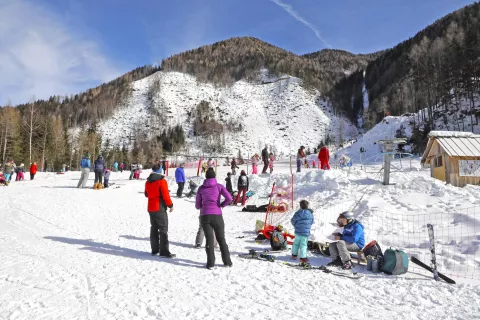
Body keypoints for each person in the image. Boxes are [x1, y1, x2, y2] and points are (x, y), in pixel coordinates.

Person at [195, 168, 233, 269]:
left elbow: (197, 205)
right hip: (217, 215)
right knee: (221, 239)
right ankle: (227, 262)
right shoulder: (219, 187)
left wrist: (202, 206)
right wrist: (221, 205)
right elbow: (229, 198)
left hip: (205, 216)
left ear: (206, 177)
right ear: (214, 176)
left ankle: (210, 263)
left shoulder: (201, 188)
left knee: (209, 239)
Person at [145, 164, 175, 258]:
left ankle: (154, 250)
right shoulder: (161, 181)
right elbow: (166, 196)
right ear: (160, 170)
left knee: (153, 228)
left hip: (150, 207)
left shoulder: (148, 181)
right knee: (163, 229)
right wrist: (170, 205)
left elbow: (146, 194)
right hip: (159, 207)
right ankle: (164, 252)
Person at [291, 200, 314, 265]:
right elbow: (312, 222)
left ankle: (294, 255)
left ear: (300, 206)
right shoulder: (310, 213)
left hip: (298, 231)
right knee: (303, 245)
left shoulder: (298, 213)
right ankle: (303, 258)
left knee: (296, 243)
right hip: (305, 232)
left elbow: (293, 221)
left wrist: (296, 225)